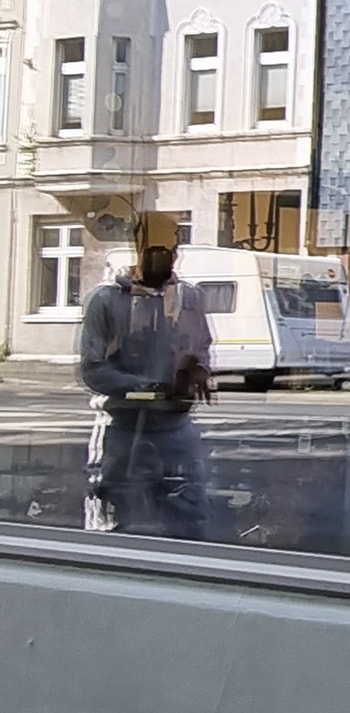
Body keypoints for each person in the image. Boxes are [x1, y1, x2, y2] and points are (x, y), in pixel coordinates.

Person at [79, 212, 215, 537]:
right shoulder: (107, 301)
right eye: (156, 249)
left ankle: (184, 563)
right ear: (139, 248)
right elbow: (93, 369)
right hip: (123, 427)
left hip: (176, 429)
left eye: (171, 249)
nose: (166, 257)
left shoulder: (190, 298)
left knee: (190, 517)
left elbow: (202, 349)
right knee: (111, 517)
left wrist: (197, 372)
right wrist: (145, 388)